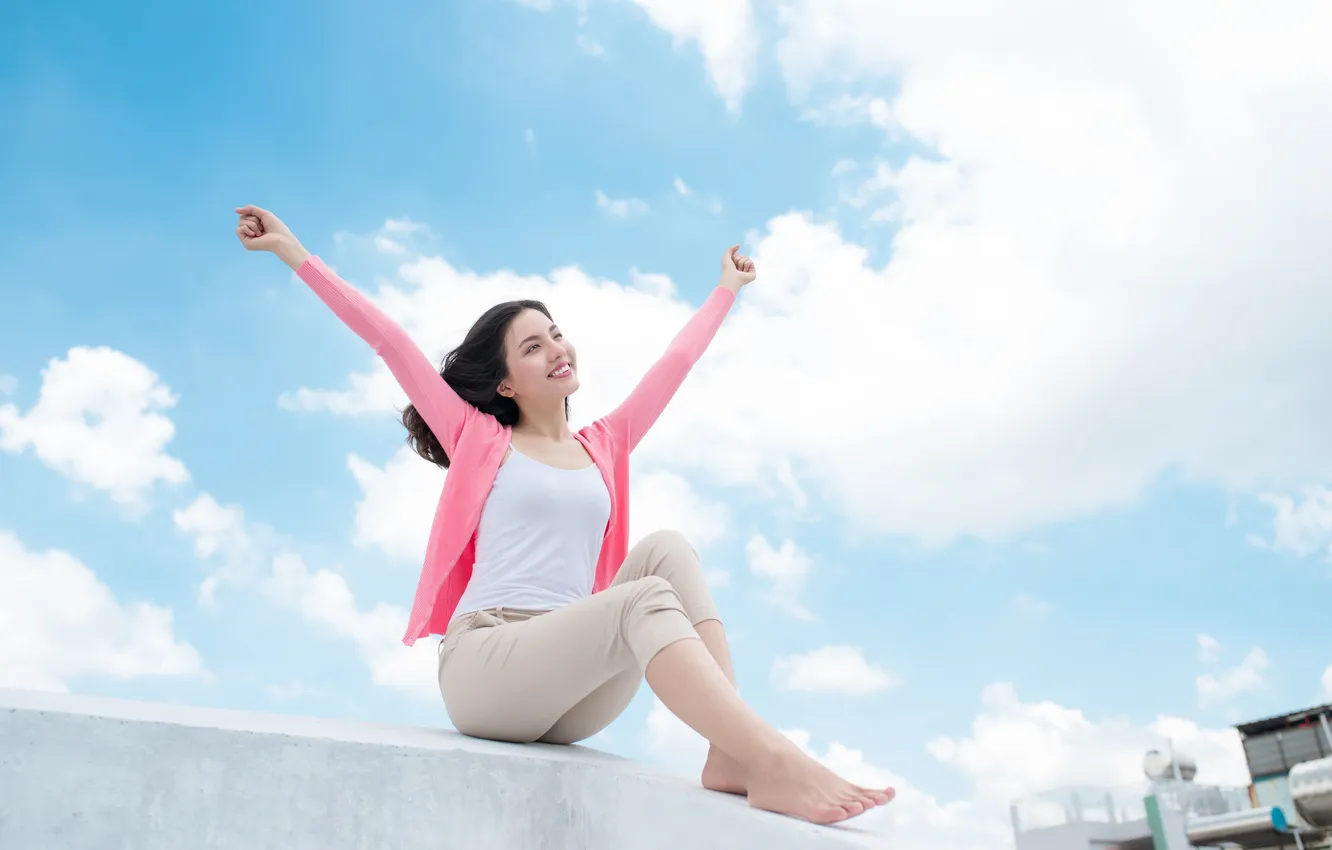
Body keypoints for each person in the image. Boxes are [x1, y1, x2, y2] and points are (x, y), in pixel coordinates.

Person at [234, 204, 895, 825]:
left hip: (567, 688)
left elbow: (676, 361)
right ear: (504, 384)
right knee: (642, 599)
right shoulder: (477, 439)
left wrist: (726, 288)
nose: (556, 349)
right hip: (488, 667)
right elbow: (388, 339)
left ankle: (731, 751)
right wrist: (292, 251)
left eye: (555, 334)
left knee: (667, 551)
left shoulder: (604, 446)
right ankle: (773, 757)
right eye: (532, 347)